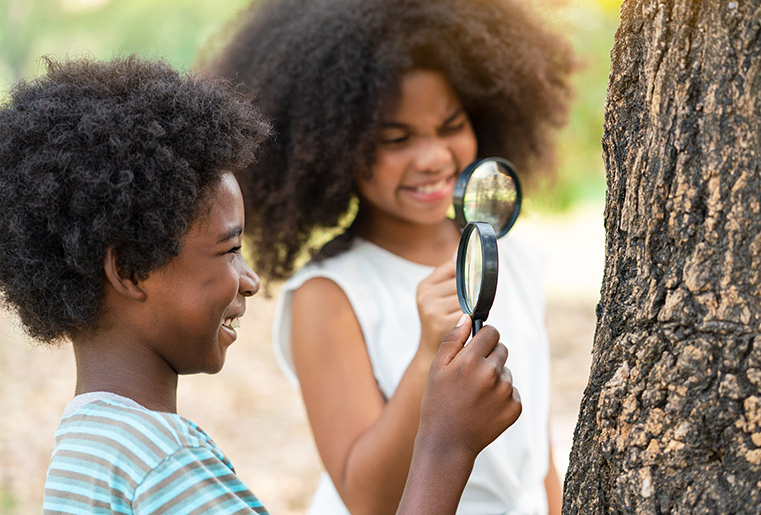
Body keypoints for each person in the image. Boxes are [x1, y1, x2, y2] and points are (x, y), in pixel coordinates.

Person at [0, 55, 521, 514]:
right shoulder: (165, 467)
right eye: (229, 251)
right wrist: (444, 447)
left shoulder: (87, 444)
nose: (249, 281)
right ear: (131, 270)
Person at [204, 0, 575, 513]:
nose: (432, 157)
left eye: (450, 126)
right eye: (396, 139)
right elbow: (366, 497)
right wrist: (430, 353)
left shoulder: (513, 256)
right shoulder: (329, 295)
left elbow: (534, 454)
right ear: (331, 145)